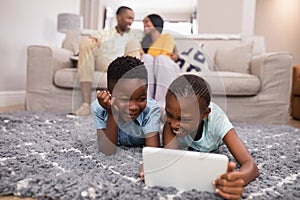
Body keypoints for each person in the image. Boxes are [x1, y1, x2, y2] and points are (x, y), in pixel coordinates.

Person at [160, 74, 259, 199]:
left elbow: (251, 165)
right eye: (169, 114)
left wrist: (237, 179)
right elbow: (171, 158)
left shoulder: (217, 121)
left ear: (204, 114)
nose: (174, 124)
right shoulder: (171, 120)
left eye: (184, 119)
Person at [72, 6, 143, 116]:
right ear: (119, 17)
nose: (131, 21)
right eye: (128, 18)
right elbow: (94, 42)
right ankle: (86, 104)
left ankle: (130, 102)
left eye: (132, 19)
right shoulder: (104, 33)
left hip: (124, 65)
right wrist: (94, 42)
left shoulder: (136, 35)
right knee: (86, 42)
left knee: (133, 43)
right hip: (105, 63)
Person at [90, 56, 161, 156]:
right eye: (125, 99)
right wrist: (112, 112)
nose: (133, 107)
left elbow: (153, 152)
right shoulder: (98, 108)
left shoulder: (151, 110)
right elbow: (107, 151)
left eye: (141, 99)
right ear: (109, 93)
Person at [140, 14, 181, 109]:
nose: (144, 25)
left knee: (160, 58)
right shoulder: (144, 42)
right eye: (143, 23)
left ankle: (162, 103)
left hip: (166, 65)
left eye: (147, 21)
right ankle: (147, 100)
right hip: (154, 67)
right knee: (146, 58)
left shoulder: (167, 37)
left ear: (155, 23)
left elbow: (165, 54)